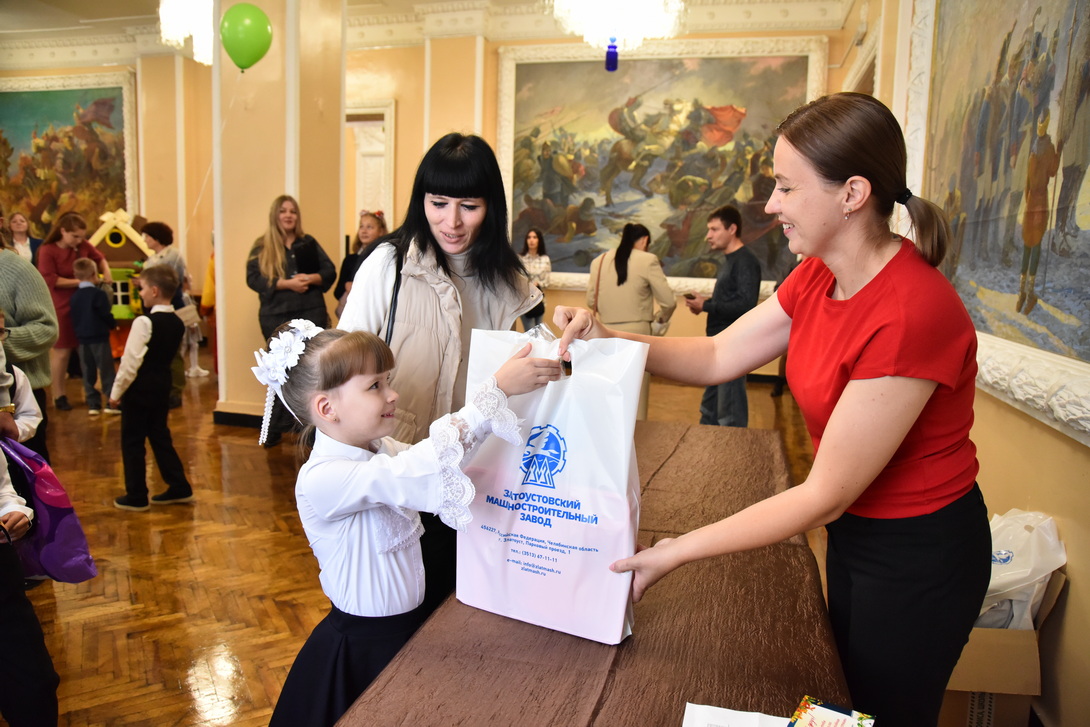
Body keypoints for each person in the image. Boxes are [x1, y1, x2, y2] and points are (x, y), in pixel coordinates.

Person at [555, 92, 990, 727]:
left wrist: (675, 551)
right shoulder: (818, 274)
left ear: (852, 193)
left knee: (881, 713)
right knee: (842, 697)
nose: (770, 205)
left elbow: (823, 496)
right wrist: (606, 338)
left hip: (919, 551)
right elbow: (718, 355)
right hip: (857, 531)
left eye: (786, 187)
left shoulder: (911, 311)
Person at [252, 322, 559, 727]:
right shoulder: (322, 478)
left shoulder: (384, 450)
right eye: (374, 386)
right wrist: (493, 393)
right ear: (327, 408)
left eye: (388, 381)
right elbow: (420, 467)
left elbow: (447, 461)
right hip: (363, 649)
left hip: (411, 631)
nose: (392, 394)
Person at [338, 132, 543, 618]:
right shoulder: (389, 266)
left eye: (468, 206)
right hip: (395, 473)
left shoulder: (509, 284)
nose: (451, 222)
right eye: (439, 203)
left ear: (490, 207)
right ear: (422, 201)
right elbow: (343, 368)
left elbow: (534, 373)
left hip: (474, 478)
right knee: (393, 612)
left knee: (457, 613)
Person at [0, 342, 60, 726]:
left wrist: (15, 511)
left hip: (2, 574)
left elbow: (3, 489)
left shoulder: (13, 376)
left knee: (35, 684)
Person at [246, 195, 336, 447]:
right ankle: (274, 428)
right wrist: (286, 284)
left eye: (293, 211)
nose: (288, 215)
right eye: (283, 211)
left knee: (313, 371)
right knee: (280, 372)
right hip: (275, 316)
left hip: (311, 312)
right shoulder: (262, 245)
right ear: (275, 215)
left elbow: (329, 271)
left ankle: (312, 431)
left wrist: (311, 279)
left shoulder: (308, 243)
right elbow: (253, 278)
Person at [109, 265, 194, 511]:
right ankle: (179, 486)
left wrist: (115, 394)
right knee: (159, 436)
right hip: (162, 386)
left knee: (132, 441)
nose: (141, 293)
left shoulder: (144, 322)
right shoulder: (177, 322)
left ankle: (136, 495)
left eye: (143, 288)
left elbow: (130, 363)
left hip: (139, 390)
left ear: (154, 290)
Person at [586, 222, 677, 419]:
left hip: (604, 334)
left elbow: (591, 301)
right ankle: (636, 436)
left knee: (608, 393)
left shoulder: (599, 261)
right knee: (636, 398)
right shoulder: (648, 260)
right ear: (645, 240)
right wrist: (659, 320)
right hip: (638, 335)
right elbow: (668, 302)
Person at [683, 205, 761, 427]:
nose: (708, 236)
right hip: (719, 345)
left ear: (732, 229)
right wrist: (705, 304)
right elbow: (732, 299)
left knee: (730, 417)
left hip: (732, 347)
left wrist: (707, 305)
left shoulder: (745, 261)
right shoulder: (731, 260)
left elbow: (745, 305)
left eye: (714, 229)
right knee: (709, 412)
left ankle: (732, 452)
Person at [36, 212, 113, 412]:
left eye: (82, 236)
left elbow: (100, 257)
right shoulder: (47, 250)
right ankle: (59, 394)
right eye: (75, 236)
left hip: (86, 302)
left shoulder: (83, 245)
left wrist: (106, 271)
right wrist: (82, 282)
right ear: (63, 231)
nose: (79, 240)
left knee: (85, 351)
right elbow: (49, 278)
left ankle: (91, 393)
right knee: (62, 351)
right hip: (62, 303)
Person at [0, 250, 59, 461]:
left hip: (19, 400)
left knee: (23, 477)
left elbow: (46, 329)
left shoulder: (17, 269)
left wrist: (2, 341)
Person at [69, 258, 118, 416]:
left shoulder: (74, 297)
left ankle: (93, 404)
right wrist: (113, 324)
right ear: (93, 274)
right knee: (106, 370)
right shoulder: (99, 294)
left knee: (87, 371)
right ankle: (111, 402)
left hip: (82, 339)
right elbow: (105, 313)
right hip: (99, 337)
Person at [333, 210, 388, 319]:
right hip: (352, 313)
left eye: (369, 227)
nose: (364, 231)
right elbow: (337, 292)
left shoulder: (385, 258)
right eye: (361, 226)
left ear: (381, 231)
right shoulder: (350, 260)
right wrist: (346, 286)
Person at [518, 227, 551, 331]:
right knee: (530, 332)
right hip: (525, 300)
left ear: (539, 240)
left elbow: (547, 281)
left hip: (540, 299)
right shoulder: (520, 258)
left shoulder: (545, 259)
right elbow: (517, 280)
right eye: (529, 237)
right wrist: (529, 284)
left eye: (534, 237)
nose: (531, 240)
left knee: (538, 332)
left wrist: (538, 283)